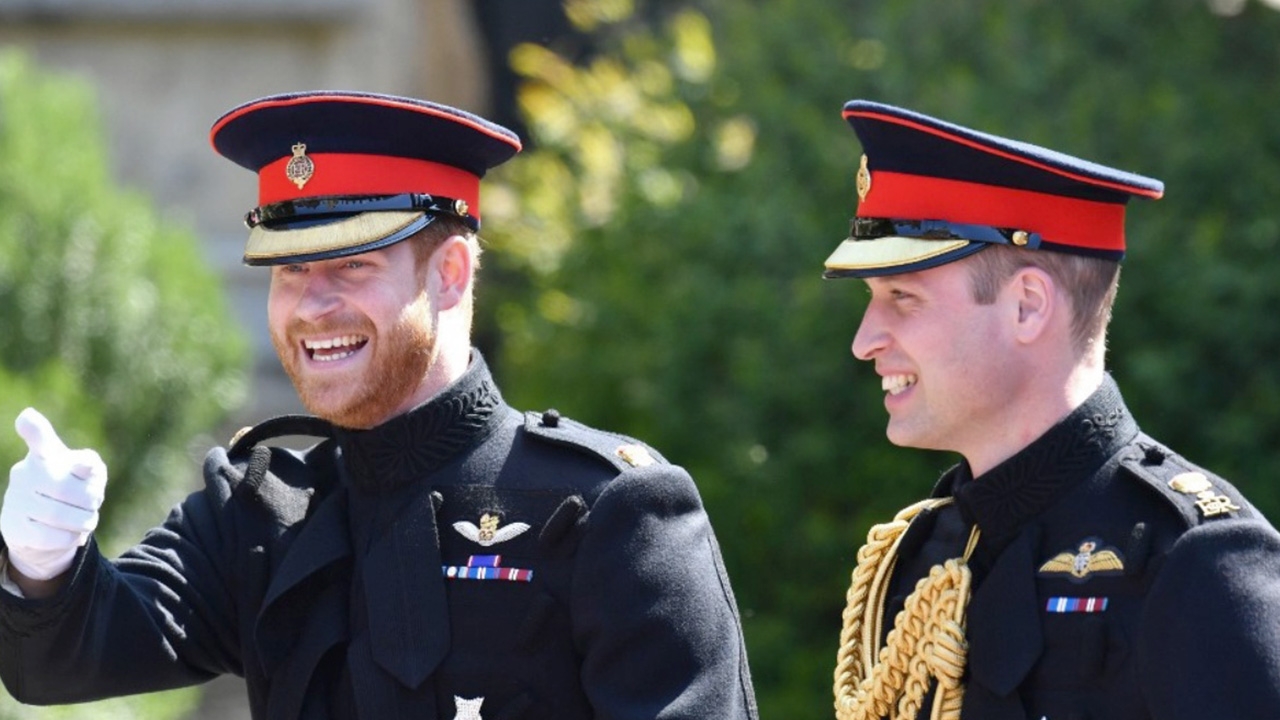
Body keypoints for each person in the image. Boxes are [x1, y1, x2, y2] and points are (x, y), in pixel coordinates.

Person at [0, 91, 758, 720]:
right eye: (289, 272)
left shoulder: (607, 513)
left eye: (352, 265)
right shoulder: (263, 517)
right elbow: (59, 663)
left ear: (452, 273)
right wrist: (43, 564)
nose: (312, 307)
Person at [823, 100, 1280, 720]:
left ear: (1027, 306)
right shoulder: (923, 556)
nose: (864, 340)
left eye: (902, 297)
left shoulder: (1194, 559)